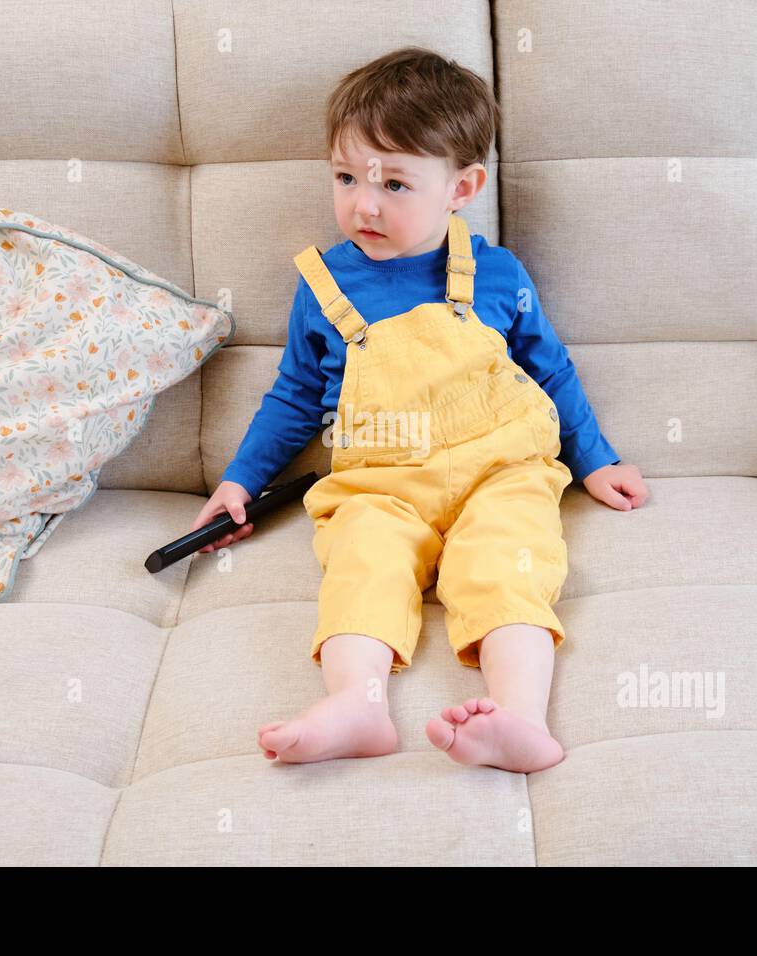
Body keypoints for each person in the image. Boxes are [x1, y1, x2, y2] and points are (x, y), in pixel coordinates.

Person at [189, 47, 648, 772]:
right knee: (360, 565)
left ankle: (519, 718)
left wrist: (595, 459)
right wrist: (241, 482)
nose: (362, 204)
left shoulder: (496, 274)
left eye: (394, 183)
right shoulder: (324, 285)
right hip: (382, 483)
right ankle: (357, 704)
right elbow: (296, 395)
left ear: (462, 187)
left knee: (506, 565)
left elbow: (550, 369)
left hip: (499, 471)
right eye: (347, 177)